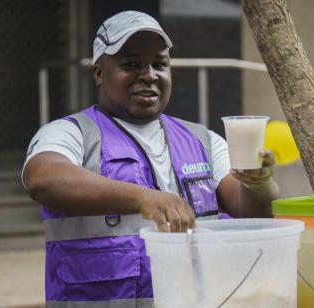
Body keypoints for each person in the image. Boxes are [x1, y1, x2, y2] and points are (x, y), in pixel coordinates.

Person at [22, 11, 279, 308]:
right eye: (131, 64)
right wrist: (144, 198)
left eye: (160, 64)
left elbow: (251, 211)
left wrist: (260, 183)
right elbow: (43, 179)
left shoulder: (203, 140)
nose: (149, 74)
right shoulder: (71, 133)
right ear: (99, 73)